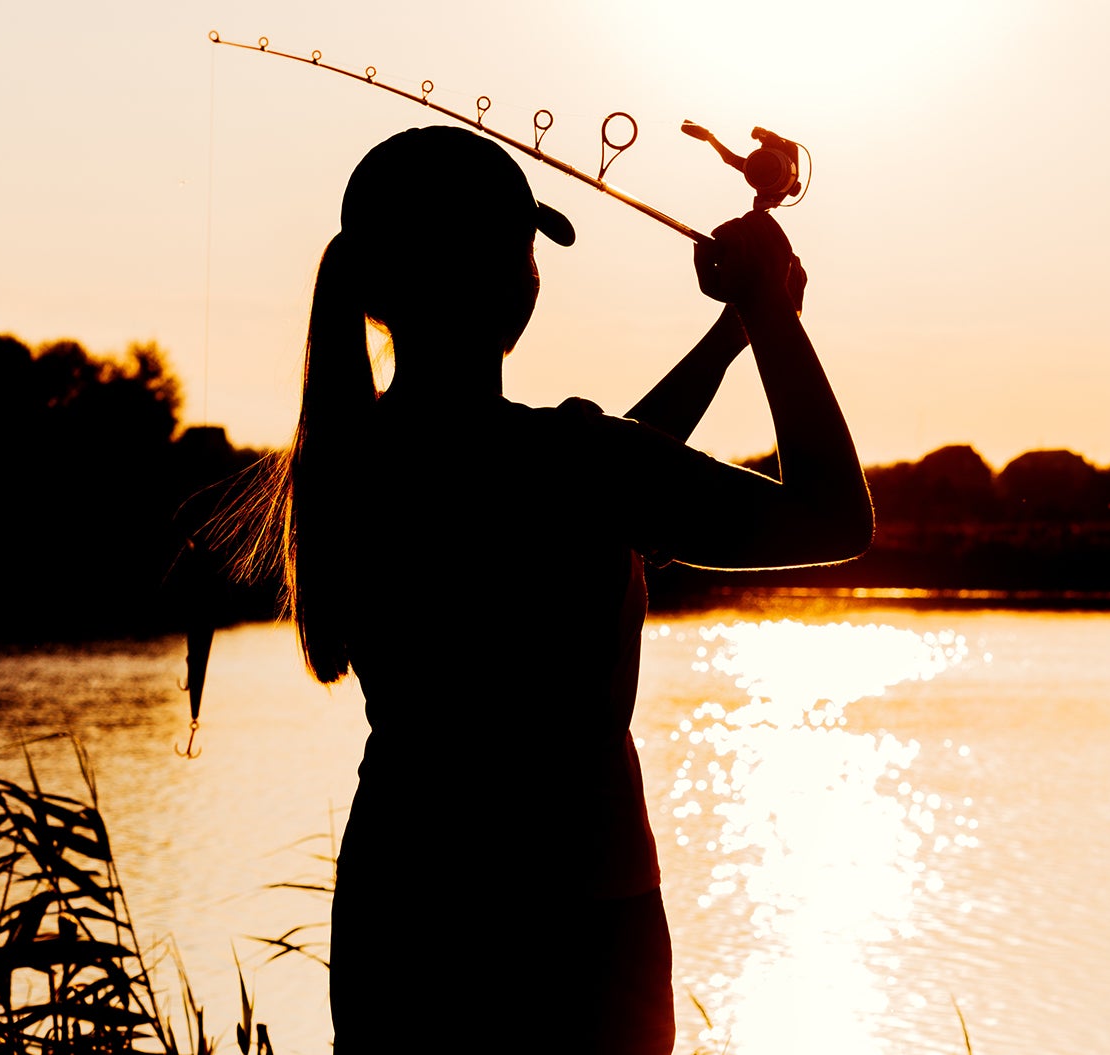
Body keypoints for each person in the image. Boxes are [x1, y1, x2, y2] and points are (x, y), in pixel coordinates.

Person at [279, 125, 871, 1053]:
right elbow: (834, 518)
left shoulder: (358, 462)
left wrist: (727, 339)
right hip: (579, 926)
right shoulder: (577, 467)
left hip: (400, 913)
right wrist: (772, 320)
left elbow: (602, 469)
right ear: (503, 280)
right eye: (523, 249)